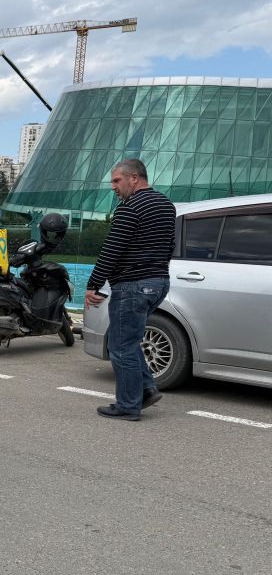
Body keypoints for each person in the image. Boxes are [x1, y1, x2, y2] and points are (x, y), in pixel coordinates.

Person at [83, 159, 176, 421]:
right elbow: (170, 245)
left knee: (120, 346)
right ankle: (146, 389)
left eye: (116, 181)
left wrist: (93, 285)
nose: (113, 187)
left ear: (134, 178)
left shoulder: (130, 207)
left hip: (133, 286)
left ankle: (128, 405)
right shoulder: (166, 205)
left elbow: (112, 250)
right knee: (129, 340)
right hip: (158, 283)